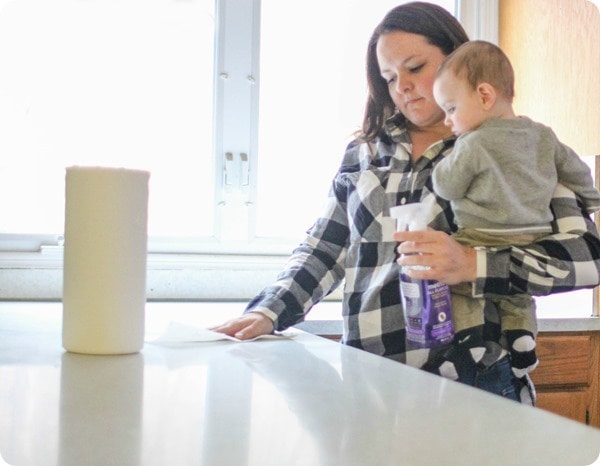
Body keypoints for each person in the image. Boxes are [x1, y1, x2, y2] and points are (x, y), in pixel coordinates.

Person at [212, 2, 600, 404]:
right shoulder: (363, 152)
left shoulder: (519, 145)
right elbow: (325, 248)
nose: (402, 87)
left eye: (415, 68)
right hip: (369, 380)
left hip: (477, 382)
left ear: (458, 61)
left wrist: (473, 264)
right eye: (390, 77)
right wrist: (268, 311)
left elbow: (587, 258)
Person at [428, 40, 600, 379]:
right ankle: (522, 336)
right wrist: (592, 199)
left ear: (485, 95)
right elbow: (577, 171)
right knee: (517, 291)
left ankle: (472, 340)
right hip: (532, 235)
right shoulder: (543, 136)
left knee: (457, 285)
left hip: (482, 234)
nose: (448, 121)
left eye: (450, 109)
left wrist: (444, 164)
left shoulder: (473, 143)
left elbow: (447, 187)